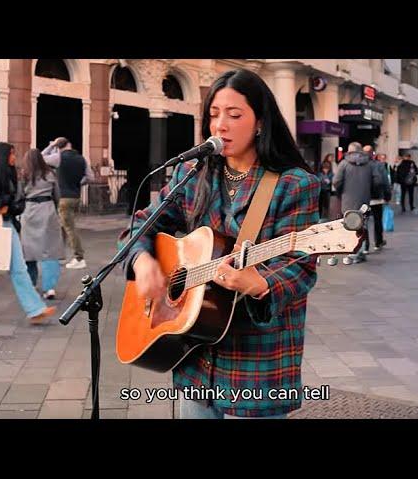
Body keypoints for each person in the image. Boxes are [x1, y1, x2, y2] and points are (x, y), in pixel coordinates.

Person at [124, 68, 320, 418]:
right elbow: (141, 225)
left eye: (234, 115)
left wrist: (262, 283)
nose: (220, 125)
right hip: (194, 355)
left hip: (258, 361)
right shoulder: (195, 174)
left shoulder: (294, 184)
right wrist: (143, 263)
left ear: (260, 122)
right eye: (214, 115)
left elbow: (301, 264)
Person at [0, 142, 56, 325]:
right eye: (12, 154)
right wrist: (8, 202)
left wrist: (10, 206)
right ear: (3, 155)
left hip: (7, 223)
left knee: (19, 268)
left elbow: (18, 203)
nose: (15, 158)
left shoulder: (8, 173)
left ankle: (35, 310)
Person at [41, 137, 94, 269]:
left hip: (64, 197)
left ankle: (79, 258)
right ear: (69, 144)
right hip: (76, 196)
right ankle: (59, 255)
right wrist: (79, 183)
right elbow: (90, 177)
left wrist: (52, 145)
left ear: (58, 147)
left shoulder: (58, 157)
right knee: (63, 227)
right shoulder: (82, 159)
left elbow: (41, 157)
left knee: (69, 228)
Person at [19, 149, 64, 300]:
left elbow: (19, 195)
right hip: (48, 210)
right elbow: (57, 195)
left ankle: (31, 283)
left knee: (28, 251)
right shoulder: (50, 174)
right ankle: (49, 287)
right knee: (49, 250)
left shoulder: (24, 175)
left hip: (29, 210)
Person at [333, 141, 381, 264]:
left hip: (347, 201)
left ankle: (351, 252)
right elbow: (377, 181)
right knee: (363, 225)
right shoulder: (370, 164)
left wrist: (341, 193)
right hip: (364, 200)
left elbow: (336, 181)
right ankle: (362, 250)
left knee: (349, 226)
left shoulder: (343, 164)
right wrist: (371, 191)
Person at [368, 153, 392, 251]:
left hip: (363, 198)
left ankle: (365, 246)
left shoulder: (360, 165)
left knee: (363, 222)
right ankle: (378, 242)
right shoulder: (379, 165)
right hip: (377, 198)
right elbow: (386, 182)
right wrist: (387, 196)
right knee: (378, 220)